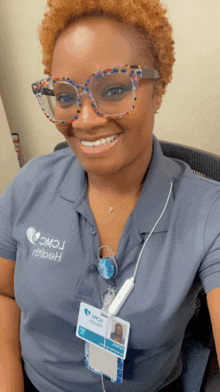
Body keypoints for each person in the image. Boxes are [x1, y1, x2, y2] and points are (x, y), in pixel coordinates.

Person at [0, 0, 220, 391]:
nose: (85, 120)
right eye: (66, 96)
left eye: (115, 88)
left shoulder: (207, 212)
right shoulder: (29, 186)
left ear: (158, 89)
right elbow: (3, 292)